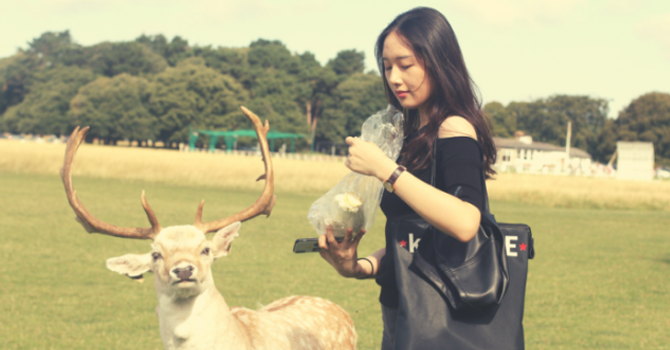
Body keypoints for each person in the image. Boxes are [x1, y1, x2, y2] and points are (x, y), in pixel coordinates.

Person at [317, 7, 498, 349]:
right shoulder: (411, 134)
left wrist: (385, 168)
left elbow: (464, 221)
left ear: (439, 61)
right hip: (404, 312)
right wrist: (358, 266)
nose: (394, 78)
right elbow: (416, 239)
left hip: (444, 320)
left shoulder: (454, 128)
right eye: (387, 67)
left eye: (406, 64)